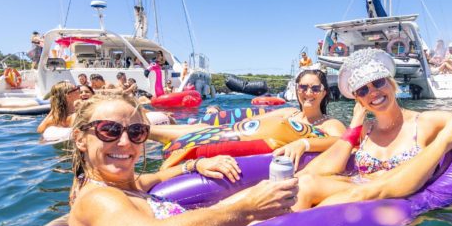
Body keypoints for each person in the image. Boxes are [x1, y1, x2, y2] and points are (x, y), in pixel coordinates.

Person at [67, 90, 298, 226]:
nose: (126, 142)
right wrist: (248, 208)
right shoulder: (98, 199)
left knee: (300, 187)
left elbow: (157, 176)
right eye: (109, 130)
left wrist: (195, 165)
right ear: (80, 139)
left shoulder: (123, 185)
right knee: (307, 191)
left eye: (136, 132)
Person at [293, 48, 452, 208]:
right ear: (358, 100)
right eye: (363, 91)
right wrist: (354, 124)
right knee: (303, 182)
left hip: (391, 204)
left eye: (378, 83)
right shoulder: (365, 130)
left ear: (392, 84)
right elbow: (325, 168)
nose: (373, 92)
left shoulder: (426, 122)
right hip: (358, 189)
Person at [147, 69, 346, 167]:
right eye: (303, 87)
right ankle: (144, 131)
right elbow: (251, 120)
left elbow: (345, 143)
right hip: (236, 134)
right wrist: (216, 115)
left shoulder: (329, 123)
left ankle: (147, 131)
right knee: (206, 130)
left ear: (324, 92)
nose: (308, 93)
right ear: (297, 90)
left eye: (315, 88)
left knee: (209, 133)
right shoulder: (288, 113)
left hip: (253, 151)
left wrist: (305, 144)